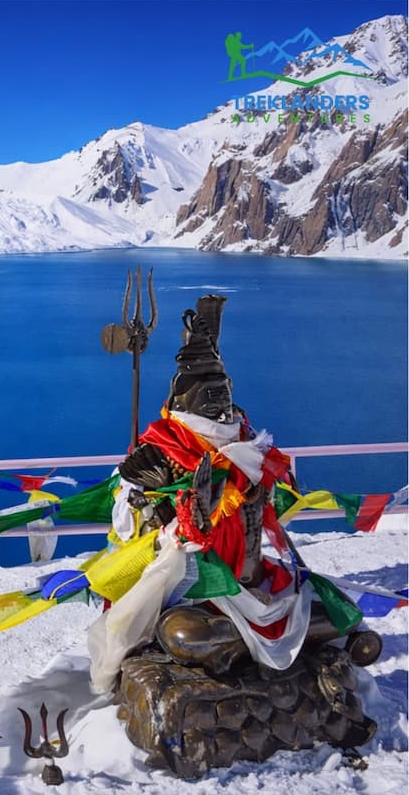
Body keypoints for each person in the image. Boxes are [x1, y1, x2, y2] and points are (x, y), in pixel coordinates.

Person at [88, 295, 381, 692]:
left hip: (254, 583)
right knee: (185, 635)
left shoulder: (250, 452)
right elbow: (136, 541)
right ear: (185, 397)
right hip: (192, 595)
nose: (222, 407)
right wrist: (181, 527)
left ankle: (245, 647)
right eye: (210, 396)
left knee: (326, 608)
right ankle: (232, 650)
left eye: (224, 394)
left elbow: (273, 507)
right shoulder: (159, 455)